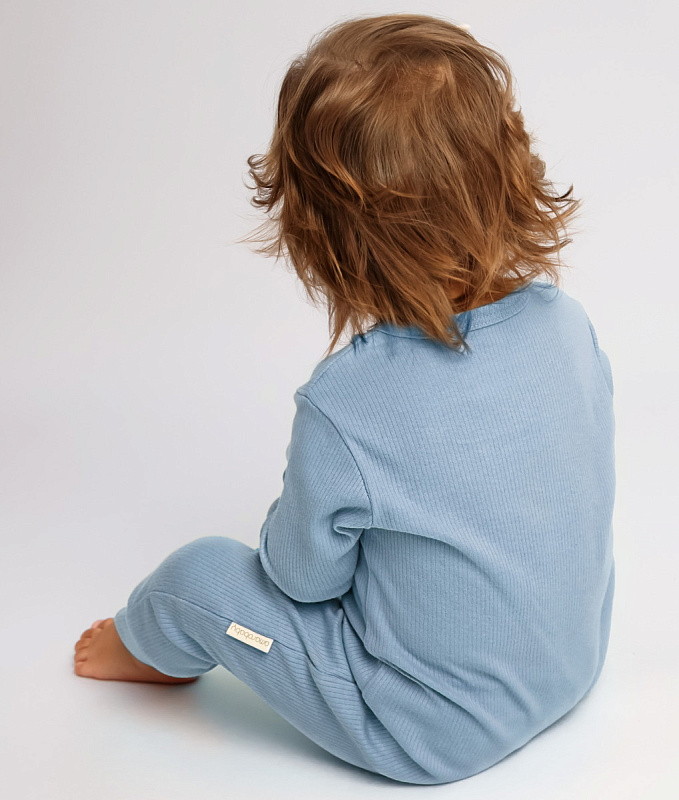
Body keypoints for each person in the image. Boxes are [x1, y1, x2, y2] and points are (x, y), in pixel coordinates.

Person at [73, 13, 616, 786]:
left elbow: (302, 581)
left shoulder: (350, 400)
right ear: (509, 168)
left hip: (425, 734)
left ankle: (144, 648)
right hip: (570, 664)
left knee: (198, 578)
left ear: (320, 236)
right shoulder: (565, 323)